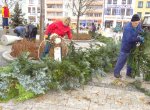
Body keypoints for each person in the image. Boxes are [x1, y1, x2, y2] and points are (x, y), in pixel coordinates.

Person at [114, 14, 144, 78]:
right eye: (135, 23)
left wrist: (143, 34)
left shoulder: (138, 24)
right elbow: (129, 39)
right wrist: (139, 38)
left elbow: (140, 30)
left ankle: (129, 73)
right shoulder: (127, 28)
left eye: (138, 23)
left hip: (133, 46)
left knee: (131, 60)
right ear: (132, 22)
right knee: (122, 60)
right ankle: (116, 73)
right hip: (126, 46)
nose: (137, 24)